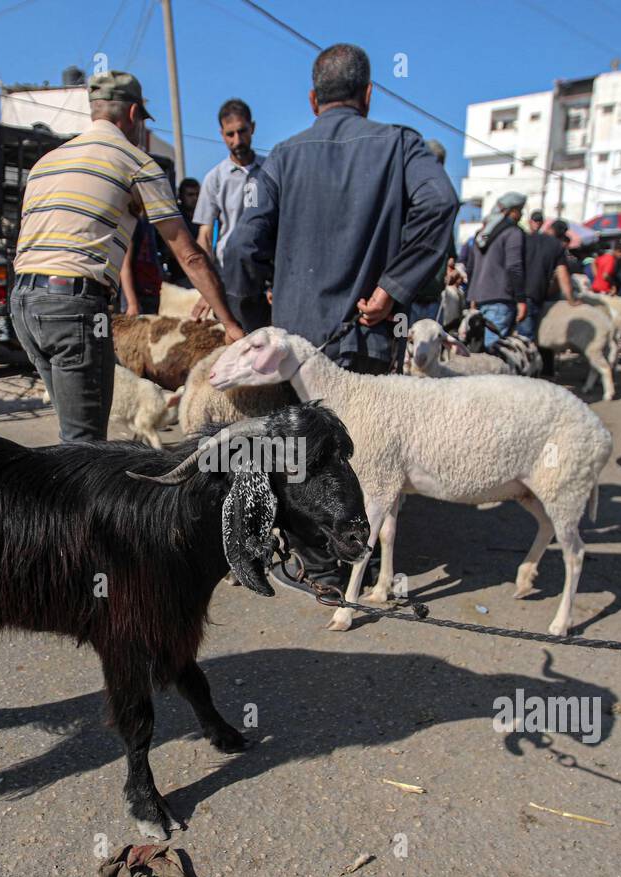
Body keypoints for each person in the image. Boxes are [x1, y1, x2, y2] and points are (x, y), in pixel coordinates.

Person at [223, 42, 457, 589]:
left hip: (296, 354)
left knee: (299, 454)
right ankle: (360, 562)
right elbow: (441, 202)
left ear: (311, 99)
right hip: (366, 337)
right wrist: (392, 288)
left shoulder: (280, 157)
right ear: (369, 95)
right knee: (360, 459)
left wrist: (259, 324)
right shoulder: (401, 145)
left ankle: (320, 565)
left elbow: (238, 252)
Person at [13, 70, 244, 442]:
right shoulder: (136, 162)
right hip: (72, 306)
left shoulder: (47, 162)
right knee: (84, 444)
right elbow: (189, 255)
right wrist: (230, 323)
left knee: (74, 430)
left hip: (24, 306)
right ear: (134, 113)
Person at [193, 98, 268, 329]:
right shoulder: (215, 178)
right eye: (230, 134)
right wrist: (208, 289)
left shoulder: (270, 170)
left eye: (242, 131)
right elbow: (204, 236)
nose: (237, 140)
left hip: (266, 274)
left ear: (252, 128)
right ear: (222, 134)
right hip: (230, 275)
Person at [461, 191, 527, 346]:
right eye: (520, 211)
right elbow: (514, 267)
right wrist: (521, 299)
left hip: (477, 299)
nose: (522, 215)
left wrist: (471, 297)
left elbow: (471, 267)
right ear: (512, 211)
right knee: (493, 353)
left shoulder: (482, 235)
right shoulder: (512, 232)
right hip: (500, 300)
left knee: (476, 350)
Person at [408, 138, 459, 324]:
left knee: (427, 348)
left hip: (431, 298)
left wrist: (451, 271)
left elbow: (450, 256)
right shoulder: (404, 196)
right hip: (404, 298)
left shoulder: (443, 205)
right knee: (401, 345)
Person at [519, 215, 579, 342]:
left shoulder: (527, 238)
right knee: (526, 341)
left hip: (516, 293)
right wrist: (571, 300)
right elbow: (562, 274)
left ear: (549, 228)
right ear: (562, 234)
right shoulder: (557, 246)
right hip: (533, 295)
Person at [159, 177, 201, 286]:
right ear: (181, 196)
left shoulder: (204, 217)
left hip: (201, 272)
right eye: (190, 195)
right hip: (178, 274)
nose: (195, 198)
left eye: (197, 194)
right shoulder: (175, 218)